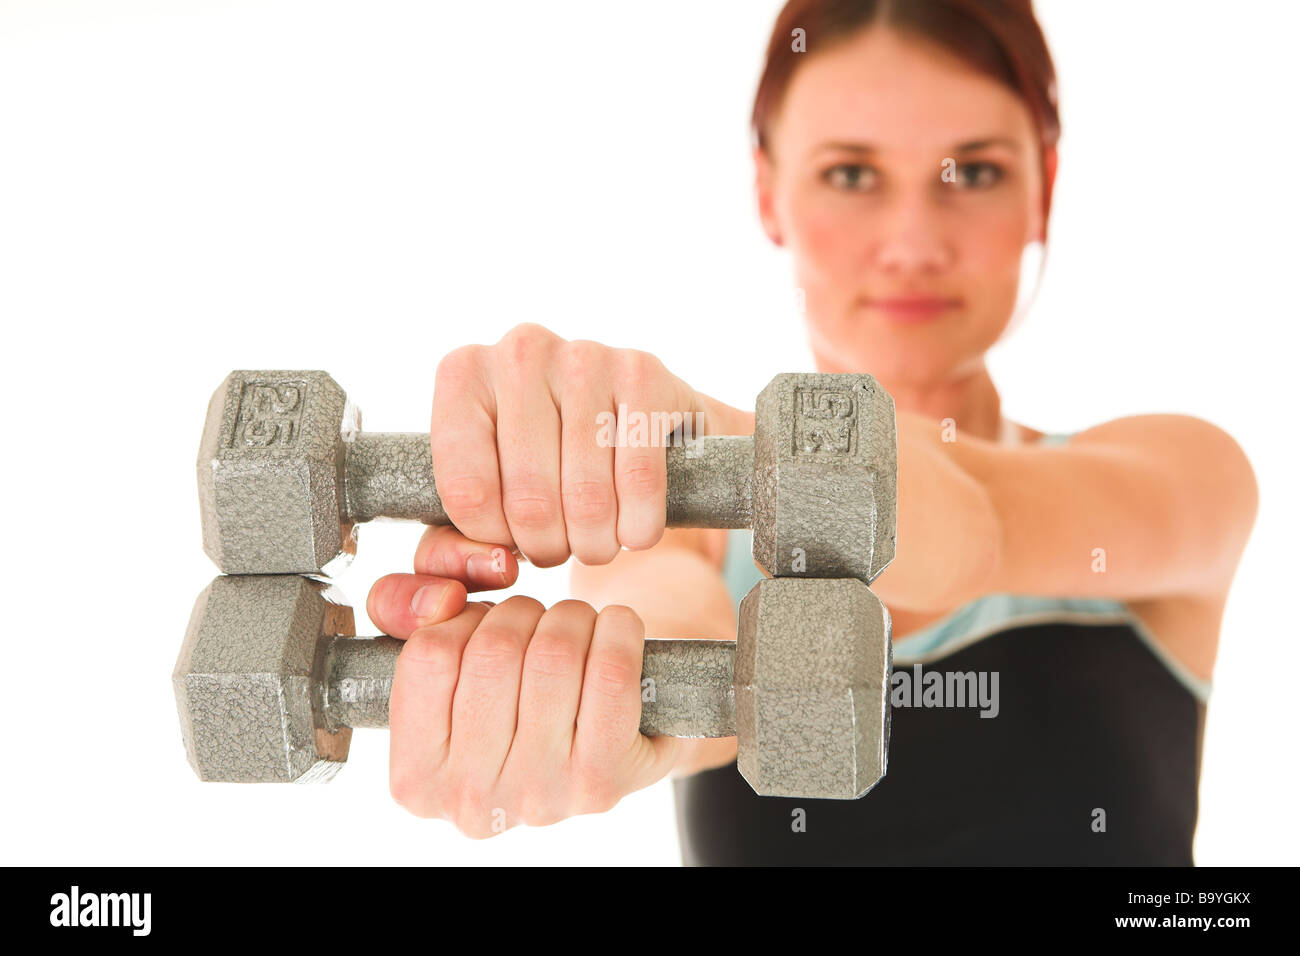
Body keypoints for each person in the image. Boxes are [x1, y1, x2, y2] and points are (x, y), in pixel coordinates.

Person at [363, 0, 1258, 864]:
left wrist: (673, 433)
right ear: (768, 193)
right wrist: (576, 692)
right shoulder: (688, 534)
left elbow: (978, 525)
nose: (912, 241)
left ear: (1044, 191)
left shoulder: (1182, 472)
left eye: (973, 171)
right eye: (852, 174)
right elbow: (658, 629)